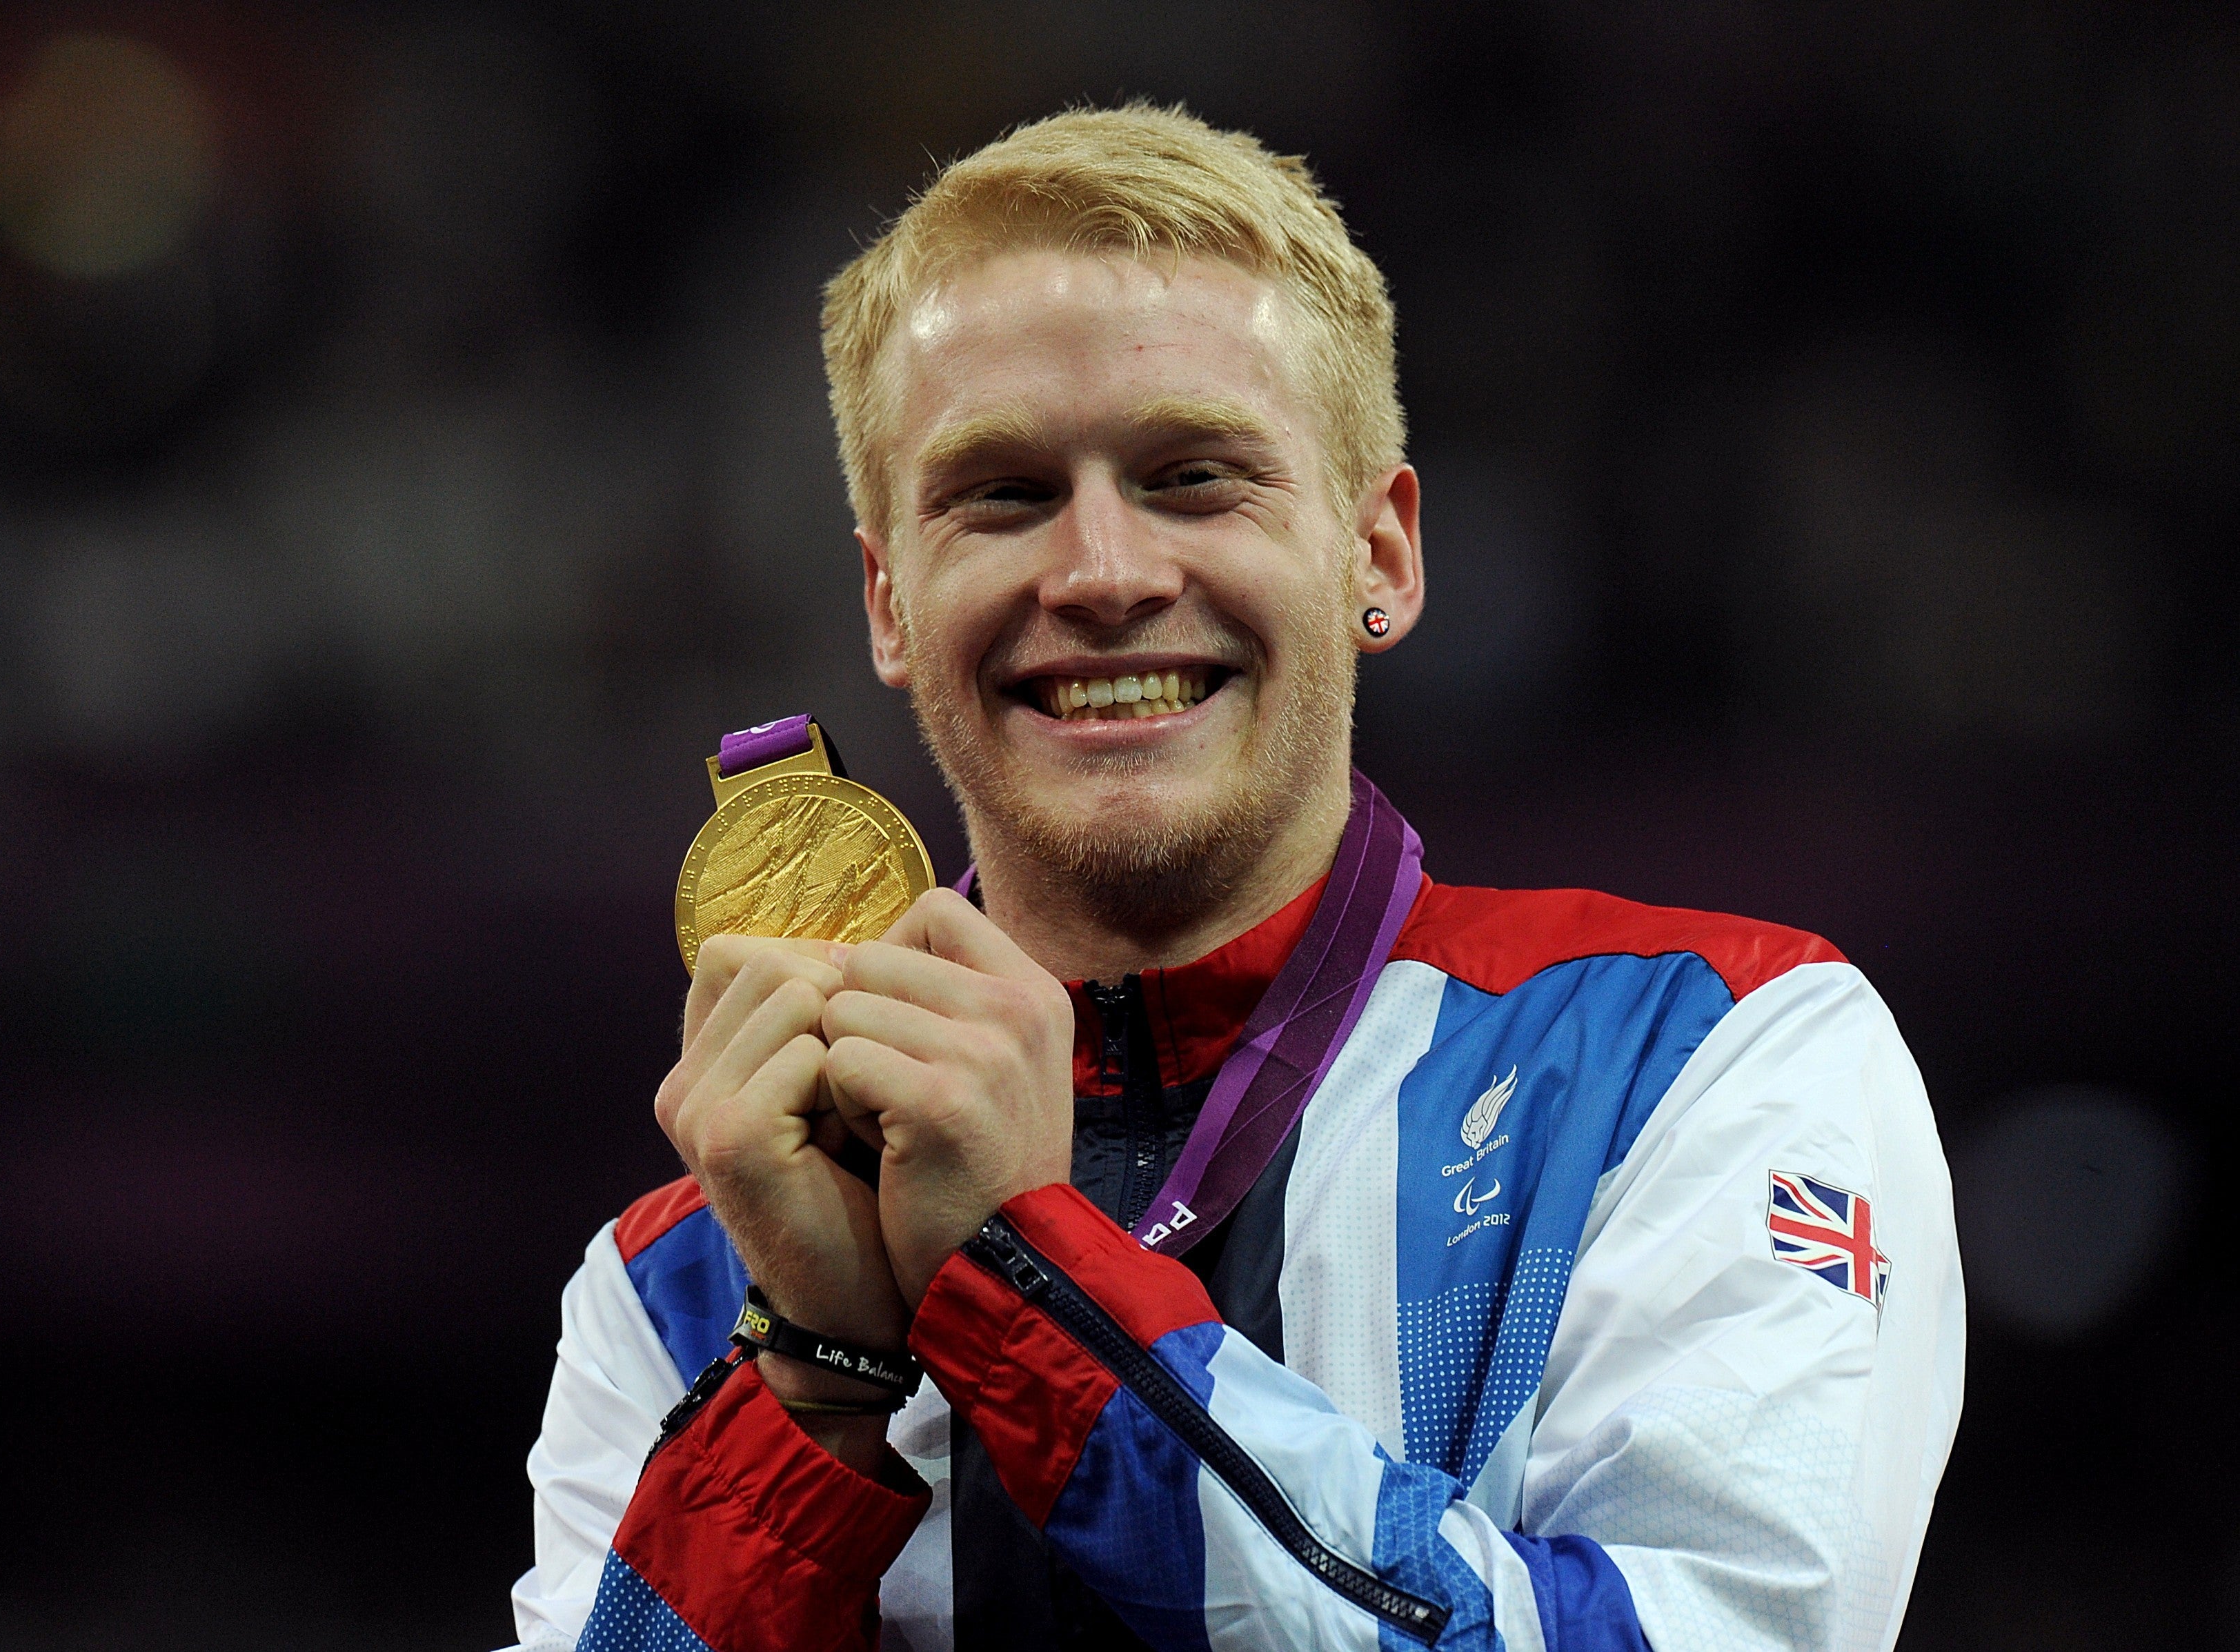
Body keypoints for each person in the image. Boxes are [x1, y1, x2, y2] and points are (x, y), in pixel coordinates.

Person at [503, 103, 1962, 1652]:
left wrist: (1027, 1282)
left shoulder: (1706, 1057)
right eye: (999, 493)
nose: (1104, 573)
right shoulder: (677, 1282)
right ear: (886, 599)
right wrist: (810, 1386)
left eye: (1195, 475)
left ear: (1377, 555)